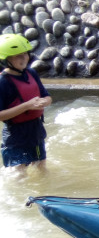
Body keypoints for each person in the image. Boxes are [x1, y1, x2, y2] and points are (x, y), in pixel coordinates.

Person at [0, 34, 52, 174]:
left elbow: (47, 97)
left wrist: (44, 102)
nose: (23, 58)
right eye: (17, 56)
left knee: (41, 167)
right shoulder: (3, 82)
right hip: (15, 134)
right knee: (18, 174)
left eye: (25, 54)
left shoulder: (31, 73)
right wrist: (27, 106)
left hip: (35, 130)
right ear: (6, 60)